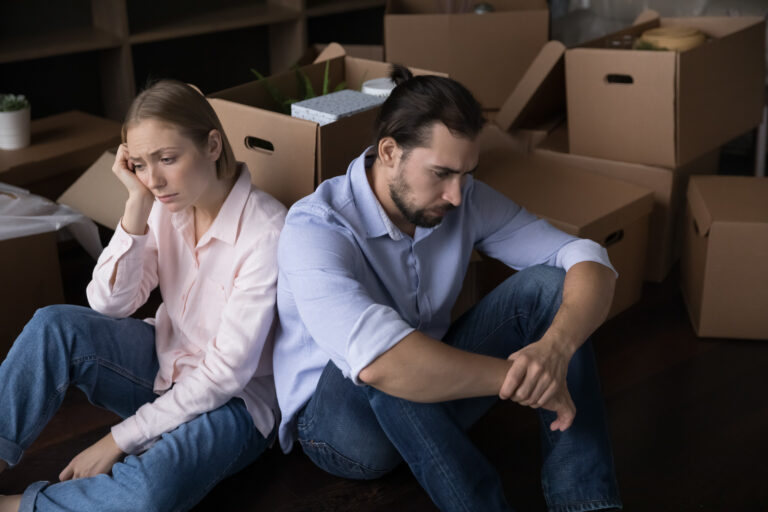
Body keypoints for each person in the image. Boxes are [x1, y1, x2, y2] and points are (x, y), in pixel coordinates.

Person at [273, 65, 622, 511]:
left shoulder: (463, 198)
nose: (457, 195)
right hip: (339, 431)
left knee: (550, 286)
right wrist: (526, 382)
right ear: (389, 152)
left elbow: (587, 258)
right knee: (384, 358)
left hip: (435, 393)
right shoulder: (315, 226)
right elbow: (381, 361)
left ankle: (586, 503)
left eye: (465, 174)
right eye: (441, 173)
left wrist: (554, 350)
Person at [0, 79, 286, 512]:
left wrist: (117, 438)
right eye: (139, 164)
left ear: (212, 145)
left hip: (236, 404)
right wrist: (135, 204)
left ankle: (21, 506)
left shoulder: (268, 232)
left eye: (167, 159)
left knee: (150, 490)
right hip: (164, 365)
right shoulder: (163, 204)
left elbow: (225, 375)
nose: (154, 179)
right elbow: (110, 304)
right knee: (53, 325)